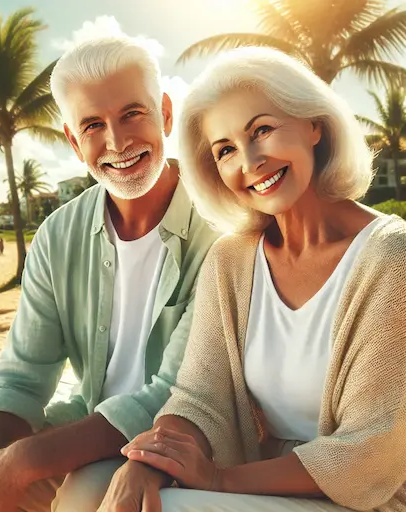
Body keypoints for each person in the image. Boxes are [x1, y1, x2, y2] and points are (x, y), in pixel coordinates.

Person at [67, 47, 406, 511]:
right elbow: (198, 400)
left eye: (262, 130)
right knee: (90, 488)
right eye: (225, 150)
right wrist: (147, 461)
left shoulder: (392, 256)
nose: (249, 162)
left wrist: (219, 480)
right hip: (256, 487)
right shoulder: (232, 260)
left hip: (366, 499)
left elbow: (371, 452)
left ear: (314, 124)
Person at [0, 36, 218, 512]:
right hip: (82, 421)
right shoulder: (57, 234)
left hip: (175, 438)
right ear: (72, 139)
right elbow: (22, 377)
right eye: (92, 125)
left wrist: (19, 464)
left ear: (166, 114)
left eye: (133, 113)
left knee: (87, 492)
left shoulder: (218, 228)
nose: (117, 141)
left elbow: (176, 392)